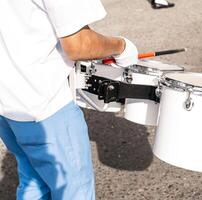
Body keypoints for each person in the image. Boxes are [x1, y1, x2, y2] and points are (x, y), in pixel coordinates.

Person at [0, 0, 138, 199]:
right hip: (46, 107)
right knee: (74, 192)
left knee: (33, 183)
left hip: (7, 104)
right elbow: (79, 44)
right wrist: (122, 46)